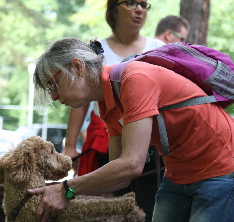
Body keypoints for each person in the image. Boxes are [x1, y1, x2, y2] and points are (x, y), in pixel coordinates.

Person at [29, 37, 234, 222]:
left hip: (222, 166)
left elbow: (132, 165)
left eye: (53, 84)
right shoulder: (106, 103)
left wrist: (66, 189)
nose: (54, 96)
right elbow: (119, 177)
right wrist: (60, 192)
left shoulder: (134, 78)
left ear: (77, 66)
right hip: (178, 175)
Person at [62, 1, 164, 220]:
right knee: (109, 208)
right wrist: (70, 146)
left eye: (144, 5)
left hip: (152, 147)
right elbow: (80, 101)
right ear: (113, 10)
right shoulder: (95, 49)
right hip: (108, 143)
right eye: (130, 3)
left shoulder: (158, 47)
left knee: (148, 209)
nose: (139, 10)